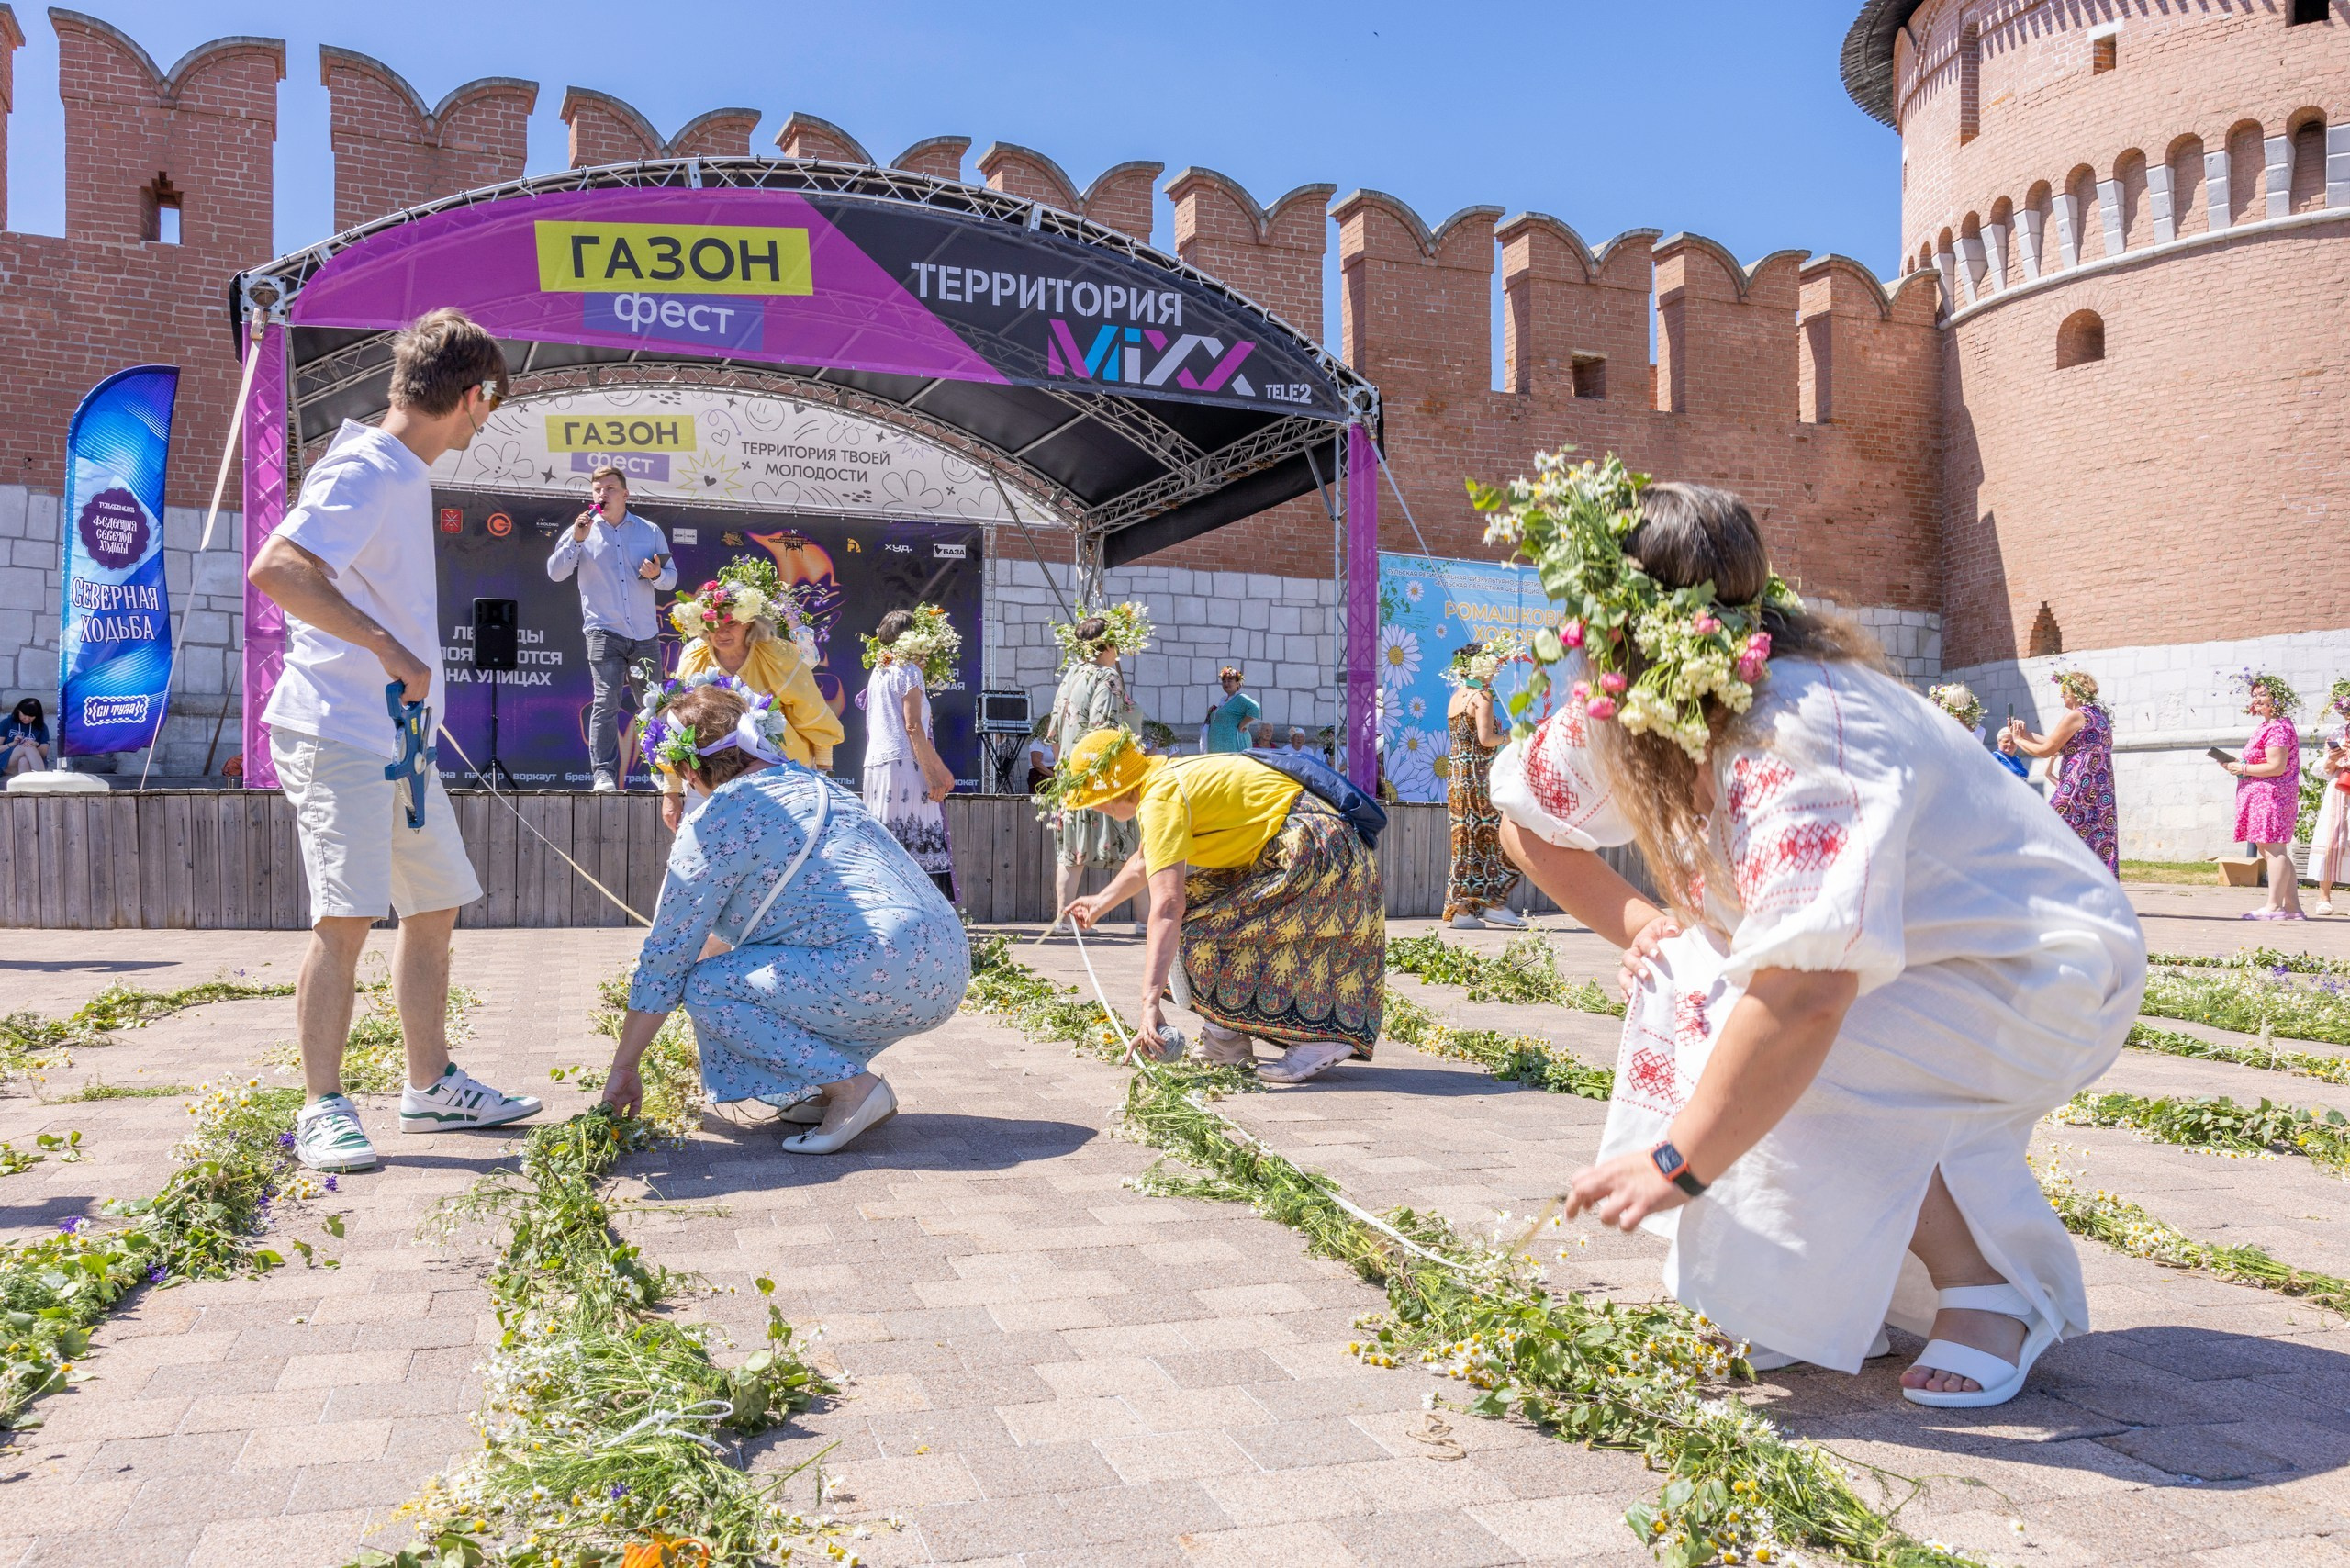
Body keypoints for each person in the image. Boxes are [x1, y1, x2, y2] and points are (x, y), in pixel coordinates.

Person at [1480, 463, 2142, 1408]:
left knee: (1791, 1041)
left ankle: (1990, 1290)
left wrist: (1679, 1161)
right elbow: (1525, 821)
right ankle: (1824, 1296)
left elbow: (1807, 993)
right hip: (1900, 961)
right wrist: (1640, 925)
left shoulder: (1797, 729)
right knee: (1702, 985)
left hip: (2041, 969)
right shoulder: (1640, 699)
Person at [246, 308, 543, 1174]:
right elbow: (279, 567)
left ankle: (429, 1087)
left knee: (435, 905)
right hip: (340, 731)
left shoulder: (399, 470)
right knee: (345, 919)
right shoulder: (370, 469)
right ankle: (322, 1106)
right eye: (491, 404)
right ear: (475, 397)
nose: (487, 418)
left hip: (395, 739)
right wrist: (385, 647)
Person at [600, 681, 966, 1153]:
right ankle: (819, 1082)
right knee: (761, 969)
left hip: (880, 970)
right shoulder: (814, 783)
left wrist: (624, 1067)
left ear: (690, 768)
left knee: (707, 987)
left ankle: (852, 1090)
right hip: (947, 965)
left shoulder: (716, 819)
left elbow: (667, 958)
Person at [1057, 728, 1383, 1084]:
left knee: (1197, 924)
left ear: (1113, 791)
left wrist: (1149, 1002)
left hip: (1319, 853)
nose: (1093, 807)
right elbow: (1145, 860)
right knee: (1201, 915)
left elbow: (1167, 906)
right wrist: (1101, 902)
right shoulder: (1163, 780)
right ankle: (1225, 1041)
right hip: (1314, 847)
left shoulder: (1160, 799)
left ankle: (1320, 1041)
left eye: (1092, 798)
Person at [656, 562, 843, 832]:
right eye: (713, 624)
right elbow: (674, 731)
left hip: (776, 778)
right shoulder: (692, 657)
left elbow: (811, 712)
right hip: (705, 780)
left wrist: (825, 775)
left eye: (730, 623)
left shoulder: (777, 654)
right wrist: (671, 793)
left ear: (748, 622)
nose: (721, 632)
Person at [546, 465, 676, 792]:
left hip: (644, 635)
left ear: (625, 494)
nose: (602, 495)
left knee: (653, 704)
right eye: (597, 490)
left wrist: (655, 576)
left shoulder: (649, 530)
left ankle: (660, 770)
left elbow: (671, 577)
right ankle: (602, 773)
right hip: (603, 632)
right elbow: (555, 573)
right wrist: (576, 541)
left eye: (609, 489)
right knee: (606, 701)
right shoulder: (582, 529)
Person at [1046, 613, 1143, 922]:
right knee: (1137, 848)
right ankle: (1146, 920)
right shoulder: (1107, 678)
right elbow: (1103, 729)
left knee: (1071, 850)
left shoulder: (1071, 676)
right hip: (1100, 775)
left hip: (1070, 774)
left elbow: (1054, 730)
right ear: (1110, 645)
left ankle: (1062, 920)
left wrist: (1065, 771)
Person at [861, 608, 957, 901]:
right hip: (905, 768)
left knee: (887, 847)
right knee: (913, 849)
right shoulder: (908, 671)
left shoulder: (880, 671)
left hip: (877, 768)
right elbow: (913, 725)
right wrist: (934, 772)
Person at [2003, 671, 2118, 876]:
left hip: (2078, 785)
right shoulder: (2098, 715)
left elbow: (2047, 750)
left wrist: (2017, 740)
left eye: (2064, 691)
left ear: (2074, 692)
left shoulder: (2076, 715)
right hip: (2098, 789)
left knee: (2050, 826)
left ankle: (2040, 880)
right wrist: (2025, 734)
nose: (2062, 696)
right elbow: (2056, 743)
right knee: (2092, 835)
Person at [1442, 644, 1524, 930]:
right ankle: (1495, 902)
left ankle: (1464, 909)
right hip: (1478, 780)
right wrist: (1511, 738)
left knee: (1466, 843)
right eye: (1492, 665)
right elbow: (1487, 739)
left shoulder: (1457, 696)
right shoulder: (1482, 697)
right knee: (1502, 838)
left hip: (1457, 779)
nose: (1496, 670)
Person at [2224, 673, 2305, 920]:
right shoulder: (2268, 726)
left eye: (2263, 694)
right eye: (2255, 695)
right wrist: (2237, 765)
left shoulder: (2278, 727)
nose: (2257, 699)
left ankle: (2274, 907)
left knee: (2273, 849)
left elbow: (2276, 766)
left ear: (2277, 699)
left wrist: (2244, 769)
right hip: (2263, 795)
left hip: (2272, 796)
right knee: (2270, 849)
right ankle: (2292, 908)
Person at [2310, 682, 2350, 915]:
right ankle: (2324, 897)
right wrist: (2333, 759)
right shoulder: (2338, 733)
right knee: (2332, 839)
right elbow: (2322, 770)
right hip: (2340, 789)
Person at [1200, 667, 1258, 754]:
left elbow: (1255, 709)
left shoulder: (1240, 698)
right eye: (1224, 681)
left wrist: (1242, 725)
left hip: (1232, 746)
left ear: (1238, 683)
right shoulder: (1224, 701)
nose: (1226, 683)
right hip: (1218, 747)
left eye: (1230, 680)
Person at [2, 698, 50, 777]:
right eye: (24, 715)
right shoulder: (6, 723)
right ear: (18, 711)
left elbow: (44, 754)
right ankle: (42, 778)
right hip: (6, 762)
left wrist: (36, 744)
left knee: (24, 761)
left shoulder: (41, 727)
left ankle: (27, 786)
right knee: (27, 746)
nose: (27, 719)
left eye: (31, 716)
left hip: (29, 764)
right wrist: (12, 743)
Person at [1025, 718, 1057, 794]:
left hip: (1052, 777)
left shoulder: (1054, 743)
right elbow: (1036, 763)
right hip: (1041, 777)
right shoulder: (1038, 742)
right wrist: (1052, 775)